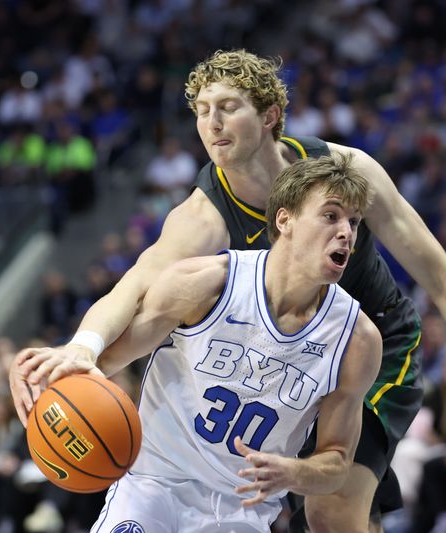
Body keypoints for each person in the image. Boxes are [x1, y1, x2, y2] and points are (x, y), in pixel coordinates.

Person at [11, 49, 446, 531]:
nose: (211, 123)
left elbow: (442, 277)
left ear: (271, 114)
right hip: (279, 357)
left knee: (330, 513)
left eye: (227, 107)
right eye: (202, 111)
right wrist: (79, 352)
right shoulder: (203, 216)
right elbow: (135, 283)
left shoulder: (346, 172)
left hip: (369, 352)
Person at [87, 154, 381, 530]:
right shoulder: (208, 284)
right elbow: (106, 360)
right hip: (154, 484)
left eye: (353, 222)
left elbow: (337, 462)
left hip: (241, 511)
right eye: (331, 215)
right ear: (284, 219)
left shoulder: (356, 339)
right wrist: (66, 366)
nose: (347, 232)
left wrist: (293, 472)